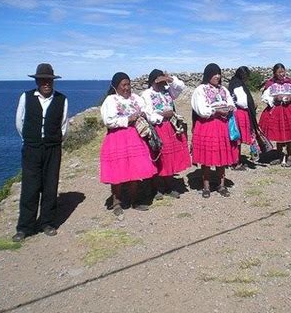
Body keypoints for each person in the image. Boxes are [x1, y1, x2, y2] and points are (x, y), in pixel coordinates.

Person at [13, 63, 69, 242]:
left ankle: (47, 222)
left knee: (50, 186)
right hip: (32, 147)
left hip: (53, 148)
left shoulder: (62, 99)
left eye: (49, 80)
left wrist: (53, 141)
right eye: (43, 80)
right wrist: (30, 139)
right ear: (37, 81)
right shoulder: (26, 97)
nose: (46, 83)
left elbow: (64, 126)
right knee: (30, 187)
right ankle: (25, 227)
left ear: (53, 82)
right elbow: (19, 122)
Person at [100, 72, 157, 217]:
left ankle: (134, 200)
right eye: (123, 85)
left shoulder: (136, 98)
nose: (127, 88)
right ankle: (117, 201)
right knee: (118, 170)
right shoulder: (110, 100)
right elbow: (109, 120)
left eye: (128, 84)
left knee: (135, 170)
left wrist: (144, 115)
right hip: (117, 138)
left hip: (136, 138)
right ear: (115, 86)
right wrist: (128, 119)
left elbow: (147, 111)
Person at [141, 69, 191, 199]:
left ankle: (169, 186)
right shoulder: (147, 94)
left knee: (170, 157)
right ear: (154, 80)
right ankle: (157, 188)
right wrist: (162, 115)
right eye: (160, 79)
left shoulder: (167, 91)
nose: (163, 82)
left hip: (170, 127)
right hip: (158, 128)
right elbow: (147, 113)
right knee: (159, 156)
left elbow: (181, 87)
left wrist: (169, 79)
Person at [191, 63, 238, 198]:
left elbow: (231, 103)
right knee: (207, 157)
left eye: (219, 73)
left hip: (222, 126)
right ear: (208, 75)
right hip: (208, 126)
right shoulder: (201, 90)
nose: (217, 76)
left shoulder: (223, 89)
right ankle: (206, 186)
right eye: (214, 73)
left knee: (222, 156)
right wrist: (216, 110)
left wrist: (229, 108)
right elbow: (201, 110)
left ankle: (221, 185)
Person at [258, 63, 291, 167]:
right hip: (276, 111)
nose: (281, 74)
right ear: (274, 73)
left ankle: (289, 157)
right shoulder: (271, 84)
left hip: (289, 111)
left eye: (283, 71)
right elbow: (265, 97)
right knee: (279, 135)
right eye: (279, 72)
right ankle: (279, 156)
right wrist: (274, 98)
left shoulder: (290, 83)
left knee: (289, 135)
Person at [228, 66, 260, 169]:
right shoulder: (238, 85)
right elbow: (242, 101)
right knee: (237, 139)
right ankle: (235, 162)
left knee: (236, 138)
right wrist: (251, 106)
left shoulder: (233, 83)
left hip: (235, 113)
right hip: (240, 114)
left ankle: (236, 160)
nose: (246, 78)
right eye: (246, 76)